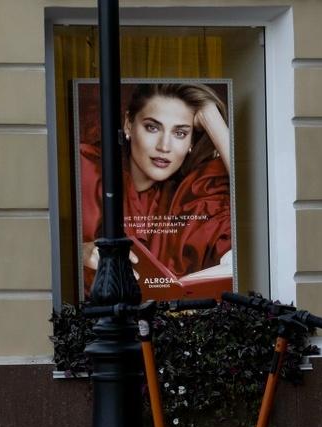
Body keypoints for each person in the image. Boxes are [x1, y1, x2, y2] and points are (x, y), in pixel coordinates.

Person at [80, 82, 233, 294]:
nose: (164, 146)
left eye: (180, 133)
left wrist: (210, 116)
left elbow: (254, 201)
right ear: (128, 125)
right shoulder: (88, 170)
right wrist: (81, 253)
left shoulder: (193, 197)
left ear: (191, 142)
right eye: (152, 127)